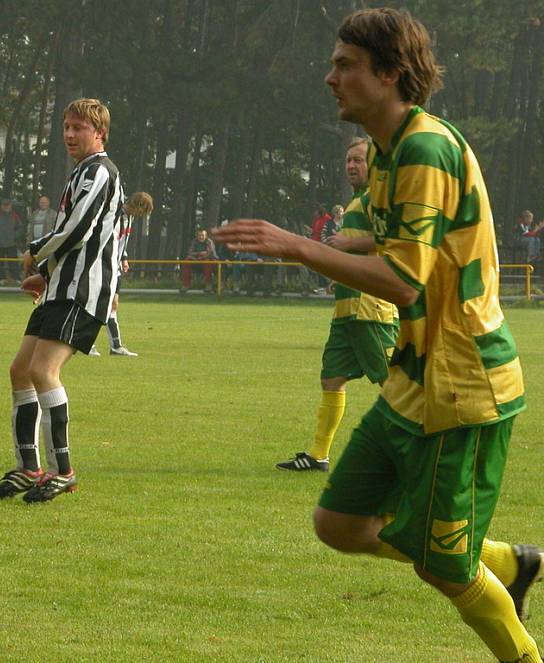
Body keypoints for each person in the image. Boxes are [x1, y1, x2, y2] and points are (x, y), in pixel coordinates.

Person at [214, 8, 543, 661]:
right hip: (413, 379)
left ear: (390, 74)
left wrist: (298, 248)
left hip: (463, 389)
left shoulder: (423, 148)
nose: (329, 77)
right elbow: (390, 239)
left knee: (444, 568)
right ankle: (506, 560)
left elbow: (403, 281)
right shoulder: (391, 154)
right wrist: (325, 241)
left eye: (345, 65)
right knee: (336, 522)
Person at [0, 98, 124, 503]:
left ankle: (62, 471)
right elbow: (76, 234)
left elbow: (79, 229)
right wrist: (44, 275)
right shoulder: (82, 172)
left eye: (78, 127)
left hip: (82, 291)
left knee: (44, 372)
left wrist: (36, 249)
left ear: (99, 133)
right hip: (60, 288)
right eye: (66, 126)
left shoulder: (100, 171)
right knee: (20, 370)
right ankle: (29, 468)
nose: (69, 134)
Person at [277, 137, 398, 472]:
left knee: (396, 384)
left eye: (358, 160)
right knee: (332, 378)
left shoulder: (379, 198)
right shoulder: (358, 201)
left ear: (374, 164)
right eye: (348, 160)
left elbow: (400, 238)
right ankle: (318, 455)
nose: (351, 166)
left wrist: (347, 244)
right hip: (347, 310)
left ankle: (419, 451)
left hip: (370, 308)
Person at [89, 191, 154, 357]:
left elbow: (121, 242)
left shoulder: (129, 218)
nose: (143, 215)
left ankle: (116, 346)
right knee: (97, 304)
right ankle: (87, 343)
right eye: (144, 210)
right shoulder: (113, 214)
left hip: (115, 267)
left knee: (113, 304)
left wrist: (124, 258)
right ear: (137, 206)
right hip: (101, 266)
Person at [0, 197, 22, 285]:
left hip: (11, 243)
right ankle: (1, 278)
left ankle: (16, 278)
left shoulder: (14, 215)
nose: (6, 207)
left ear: (11, 206)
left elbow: (20, 227)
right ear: (1, 206)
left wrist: (15, 236)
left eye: (8, 205)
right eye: (4, 205)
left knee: (13, 262)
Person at [179, 228, 217, 293]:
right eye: (199, 235)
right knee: (186, 261)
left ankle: (208, 285)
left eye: (203, 235)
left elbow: (209, 253)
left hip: (209, 262)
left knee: (207, 262)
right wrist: (199, 254)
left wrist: (197, 255)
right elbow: (190, 252)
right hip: (196, 261)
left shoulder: (209, 242)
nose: (201, 237)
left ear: (206, 236)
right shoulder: (194, 241)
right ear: (197, 236)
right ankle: (185, 285)